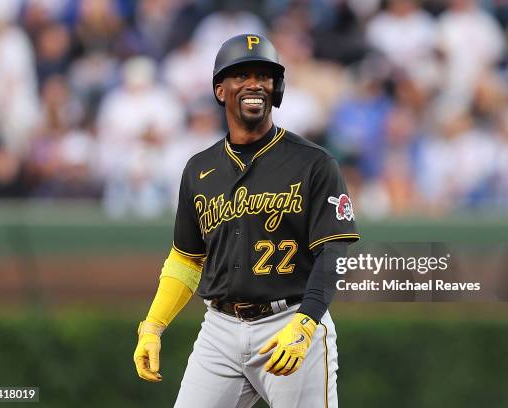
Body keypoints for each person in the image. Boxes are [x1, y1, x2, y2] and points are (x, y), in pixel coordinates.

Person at [133, 34, 360, 407]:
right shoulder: (199, 169)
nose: (254, 84)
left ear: (277, 89)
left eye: (264, 76)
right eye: (241, 75)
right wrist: (153, 325)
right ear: (221, 90)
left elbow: (334, 251)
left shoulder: (314, 163)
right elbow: (187, 260)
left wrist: (307, 322)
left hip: (289, 319)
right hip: (219, 329)